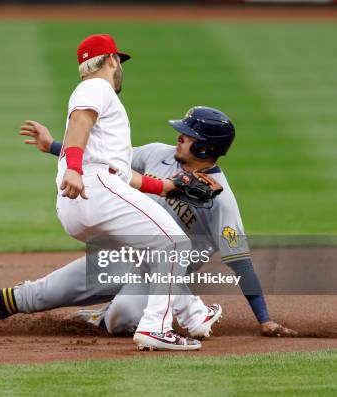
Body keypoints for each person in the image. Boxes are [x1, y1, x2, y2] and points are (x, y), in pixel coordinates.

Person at [0, 34, 213, 351]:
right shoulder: (96, 87)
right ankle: (154, 329)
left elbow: (121, 174)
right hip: (95, 189)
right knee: (174, 243)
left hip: (82, 203)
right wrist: (74, 169)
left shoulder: (98, 99)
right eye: (118, 61)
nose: (119, 69)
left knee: (151, 252)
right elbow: (79, 124)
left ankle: (194, 316)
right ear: (111, 60)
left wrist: (169, 187)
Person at [19, 106, 297, 338]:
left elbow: (240, 262)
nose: (179, 137)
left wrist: (264, 319)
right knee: (45, 292)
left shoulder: (220, 200)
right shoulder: (157, 154)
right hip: (123, 254)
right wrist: (53, 146)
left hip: (161, 273)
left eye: (188, 136)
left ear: (204, 147)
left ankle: (105, 314)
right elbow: (106, 162)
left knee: (121, 320)